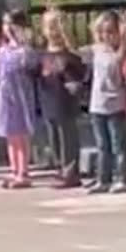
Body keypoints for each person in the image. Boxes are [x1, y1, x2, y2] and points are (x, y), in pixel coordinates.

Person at [84, 12, 126, 194]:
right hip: (97, 105)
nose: (107, 36)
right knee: (101, 145)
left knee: (118, 145)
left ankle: (122, 178)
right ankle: (103, 179)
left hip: (116, 105)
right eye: (103, 32)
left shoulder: (124, 54)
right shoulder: (97, 50)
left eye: (111, 32)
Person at [38, 10, 87, 189]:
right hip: (49, 101)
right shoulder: (43, 54)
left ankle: (71, 171)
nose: (54, 31)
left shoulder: (70, 53)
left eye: (58, 26)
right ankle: (60, 168)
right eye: (50, 26)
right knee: (54, 138)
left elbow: (81, 70)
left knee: (68, 137)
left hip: (66, 102)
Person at [0, 11, 41, 189]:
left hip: (21, 95)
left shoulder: (25, 51)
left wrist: (23, 42)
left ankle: (23, 171)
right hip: (6, 95)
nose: (8, 28)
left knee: (21, 134)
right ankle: (13, 170)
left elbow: (32, 66)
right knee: (10, 134)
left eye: (11, 24)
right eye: (5, 24)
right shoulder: (2, 51)